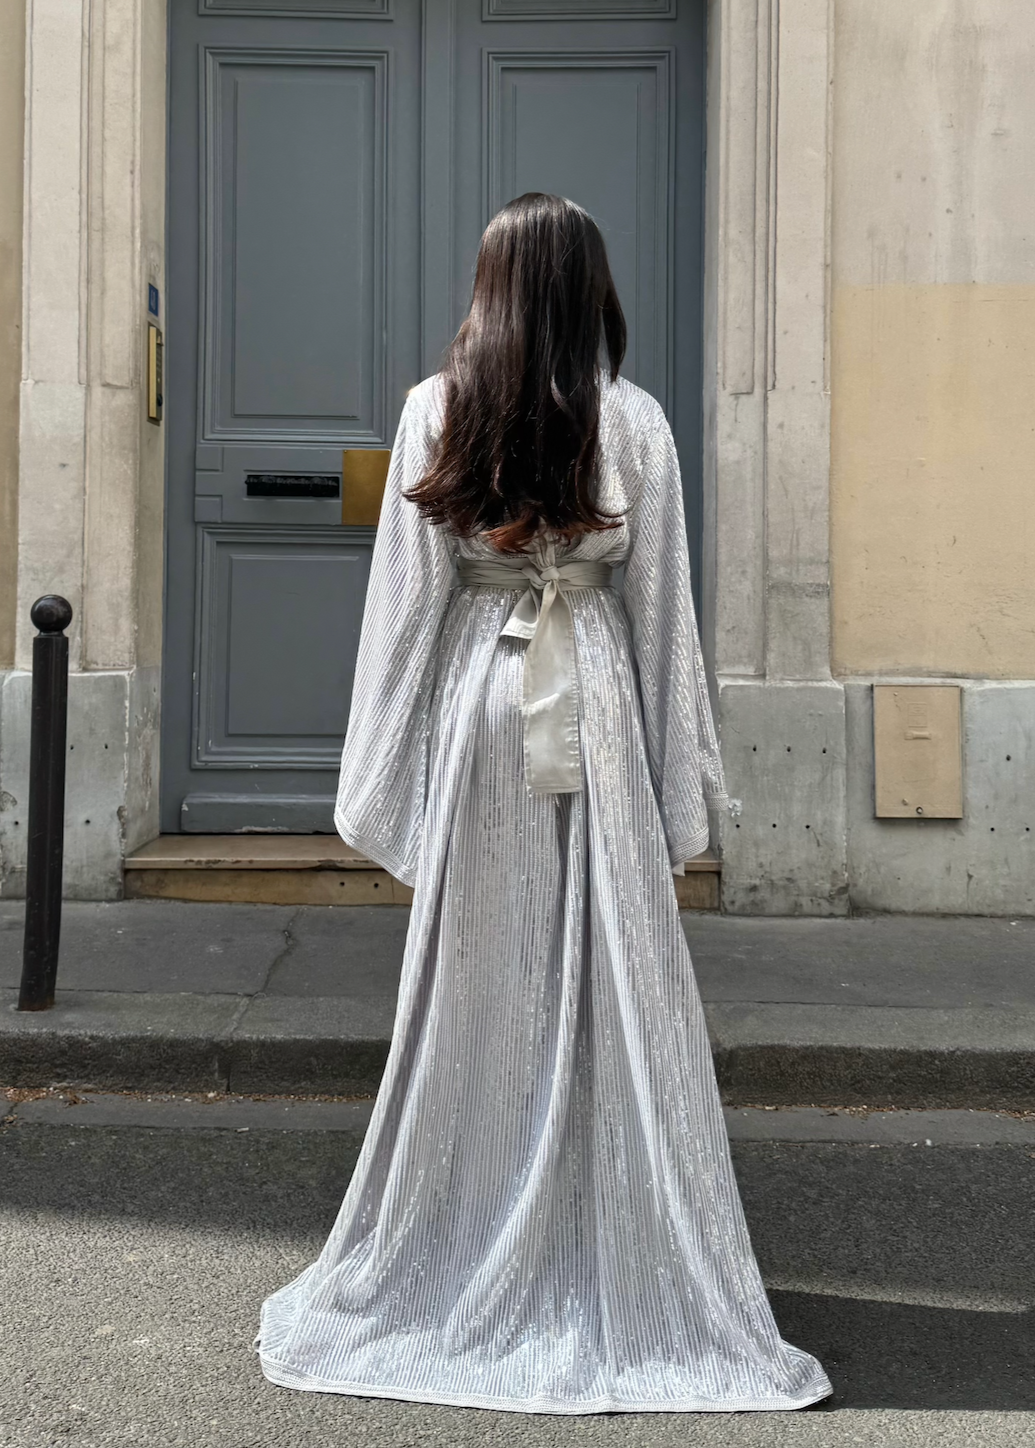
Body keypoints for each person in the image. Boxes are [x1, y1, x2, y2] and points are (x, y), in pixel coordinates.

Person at [254, 193, 833, 1415]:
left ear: (494, 288)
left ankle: (459, 1228)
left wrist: (382, 775)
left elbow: (405, 611)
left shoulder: (434, 410)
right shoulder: (638, 422)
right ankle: (613, 1236)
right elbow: (665, 611)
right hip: (598, 711)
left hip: (484, 702)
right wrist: (685, 798)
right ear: (592, 290)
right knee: (618, 969)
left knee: (480, 974)